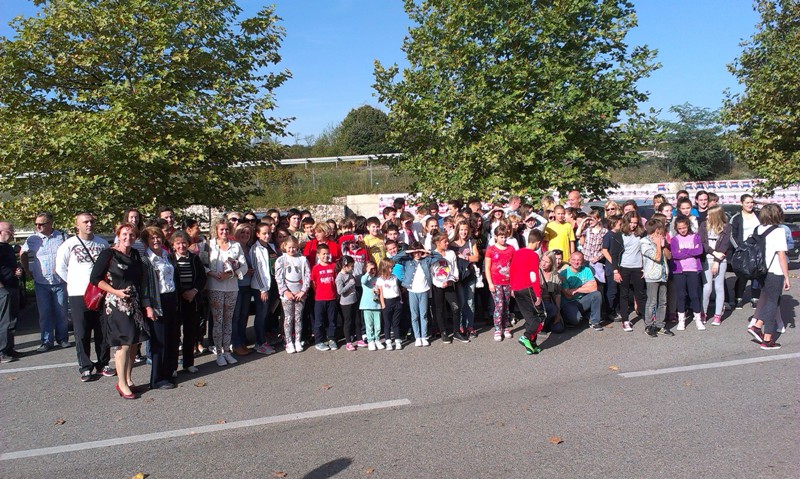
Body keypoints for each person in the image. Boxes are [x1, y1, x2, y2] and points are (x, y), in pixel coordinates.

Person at [90, 223, 151, 399]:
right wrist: (116, 292)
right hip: (116, 304)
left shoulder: (135, 254)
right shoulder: (108, 254)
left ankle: (129, 379)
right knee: (123, 343)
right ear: (118, 235)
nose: (128, 237)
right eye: (124, 234)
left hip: (134, 303)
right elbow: (95, 279)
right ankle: (121, 383)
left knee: (134, 342)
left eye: (132, 235)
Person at [55, 212, 112, 381]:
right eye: (85, 222)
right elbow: (60, 268)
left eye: (91, 221)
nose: (89, 224)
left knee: (103, 330)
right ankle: (85, 366)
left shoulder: (102, 243)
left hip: (100, 292)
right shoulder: (69, 244)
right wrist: (74, 283)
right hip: (78, 294)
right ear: (77, 225)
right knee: (82, 332)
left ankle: (103, 363)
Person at [20, 211, 70, 352]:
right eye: (36, 224)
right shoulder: (32, 239)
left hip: (60, 281)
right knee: (45, 313)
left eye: (41, 224)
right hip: (41, 282)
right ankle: (46, 341)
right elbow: (23, 253)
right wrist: (27, 270)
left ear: (50, 223)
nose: (38, 227)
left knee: (61, 312)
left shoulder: (62, 237)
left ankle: (62, 338)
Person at [140, 226, 179, 390]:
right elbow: (144, 286)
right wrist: (148, 306)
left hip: (171, 298)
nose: (156, 240)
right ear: (146, 241)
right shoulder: (146, 260)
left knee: (171, 337)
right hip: (157, 300)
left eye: (158, 237)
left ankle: (168, 372)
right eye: (152, 238)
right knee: (159, 340)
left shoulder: (166, 255)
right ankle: (157, 379)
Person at [747, 204, 791, 350]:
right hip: (774, 271)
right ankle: (767, 339)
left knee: (769, 299)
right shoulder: (778, 231)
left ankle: (757, 325)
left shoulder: (758, 229)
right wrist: (787, 277)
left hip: (761, 270)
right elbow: (781, 256)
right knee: (773, 302)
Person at [206, 217, 248, 366]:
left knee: (228, 320)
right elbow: (202, 264)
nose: (224, 232)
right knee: (218, 321)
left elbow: (244, 266)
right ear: (216, 230)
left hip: (232, 287)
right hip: (215, 287)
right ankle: (219, 353)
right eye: (221, 229)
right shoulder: (209, 245)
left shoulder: (235, 245)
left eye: (226, 229)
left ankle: (227, 351)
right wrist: (212, 273)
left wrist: (231, 274)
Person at [170, 231, 206, 373]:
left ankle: (188, 363)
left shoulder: (194, 258)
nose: (181, 246)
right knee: (174, 335)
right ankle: (173, 367)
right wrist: (182, 293)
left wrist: (194, 291)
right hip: (177, 300)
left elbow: (202, 278)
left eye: (184, 242)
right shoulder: (170, 258)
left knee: (190, 333)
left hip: (192, 299)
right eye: (178, 243)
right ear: (173, 245)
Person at [393, 241, 437, 346]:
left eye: (418, 252)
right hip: (412, 291)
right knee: (414, 315)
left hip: (424, 290)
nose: (417, 254)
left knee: (424, 314)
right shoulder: (407, 261)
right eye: (415, 252)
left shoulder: (426, 260)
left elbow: (438, 256)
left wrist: (425, 251)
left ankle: (424, 336)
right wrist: (408, 251)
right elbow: (395, 259)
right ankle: (417, 337)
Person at [510, 230, 544, 354]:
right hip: (528, 288)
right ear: (538, 242)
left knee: (529, 317)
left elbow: (512, 270)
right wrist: (538, 294)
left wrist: (512, 287)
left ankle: (532, 345)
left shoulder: (518, 252)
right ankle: (526, 336)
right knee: (540, 316)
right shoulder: (533, 255)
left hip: (517, 289)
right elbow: (534, 275)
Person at [274, 235, 310, 354]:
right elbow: (279, 278)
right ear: (285, 246)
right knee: (288, 318)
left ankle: (298, 340)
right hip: (287, 295)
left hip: (300, 294)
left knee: (298, 318)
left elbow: (307, 276)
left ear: (297, 247)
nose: (291, 250)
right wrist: (285, 291)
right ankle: (289, 342)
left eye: (294, 247)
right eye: (289, 247)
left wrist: (303, 291)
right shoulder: (281, 260)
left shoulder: (303, 259)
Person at [670, 217, 704, 331]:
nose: (682, 230)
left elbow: (699, 251)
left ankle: (698, 319)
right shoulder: (675, 239)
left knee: (694, 295)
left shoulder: (695, 237)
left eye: (684, 227)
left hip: (693, 269)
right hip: (679, 270)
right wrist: (691, 252)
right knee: (681, 295)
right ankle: (681, 320)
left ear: (688, 226)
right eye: (680, 228)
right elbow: (675, 254)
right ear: (676, 229)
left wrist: (684, 251)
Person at [640, 220, 673, 337]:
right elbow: (657, 258)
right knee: (652, 302)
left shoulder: (662, 241)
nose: (661, 234)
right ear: (654, 231)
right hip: (652, 276)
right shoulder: (644, 243)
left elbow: (669, 256)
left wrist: (664, 246)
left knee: (663, 302)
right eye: (659, 231)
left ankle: (660, 325)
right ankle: (649, 325)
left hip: (663, 274)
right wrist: (658, 244)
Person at [699, 206, 731, 326]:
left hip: (721, 260)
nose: (707, 217)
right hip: (707, 259)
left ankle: (718, 315)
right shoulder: (703, 225)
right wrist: (713, 253)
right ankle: (703, 312)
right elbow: (702, 243)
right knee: (707, 287)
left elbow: (725, 245)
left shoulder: (726, 227)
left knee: (719, 286)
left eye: (709, 215)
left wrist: (717, 261)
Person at [616, 212, 647, 332]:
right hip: (624, 266)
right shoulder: (620, 235)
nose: (633, 225)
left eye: (635, 223)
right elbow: (614, 253)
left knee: (640, 294)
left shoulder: (641, 234)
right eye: (631, 223)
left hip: (638, 267)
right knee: (624, 294)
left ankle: (646, 318)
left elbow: (645, 250)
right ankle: (625, 320)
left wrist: (645, 266)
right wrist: (616, 270)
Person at [729, 194, 762, 309]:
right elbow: (732, 235)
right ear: (741, 203)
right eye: (747, 202)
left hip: (757, 250)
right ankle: (738, 298)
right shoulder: (736, 218)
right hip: (742, 250)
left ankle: (755, 298)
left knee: (757, 273)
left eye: (751, 202)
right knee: (742, 274)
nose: (750, 205)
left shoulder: (759, 215)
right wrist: (739, 248)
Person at [249, 223, 277, 355]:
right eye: (264, 233)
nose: (267, 236)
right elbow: (257, 271)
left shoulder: (271, 246)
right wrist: (262, 289)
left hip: (272, 285)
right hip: (262, 287)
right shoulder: (255, 249)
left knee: (267, 314)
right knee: (261, 315)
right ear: (258, 234)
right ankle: (259, 343)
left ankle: (264, 339)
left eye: (269, 233)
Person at [559, 251, 604, 330]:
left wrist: (577, 289)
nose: (576, 262)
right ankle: (570, 317)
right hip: (568, 302)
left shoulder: (587, 270)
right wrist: (585, 286)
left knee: (596, 294)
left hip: (581, 299)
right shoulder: (564, 273)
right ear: (569, 260)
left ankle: (594, 322)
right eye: (573, 260)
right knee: (576, 320)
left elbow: (594, 287)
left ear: (582, 261)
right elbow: (568, 295)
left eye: (579, 260)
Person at [429, 232, 461, 344]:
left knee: (456, 307)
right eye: (445, 242)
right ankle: (443, 332)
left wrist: (452, 280)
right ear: (438, 243)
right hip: (437, 286)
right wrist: (439, 283)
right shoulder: (432, 255)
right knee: (439, 309)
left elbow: (454, 269)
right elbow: (432, 273)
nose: (447, 243)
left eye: (447, 241)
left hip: (449, 284)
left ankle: (456, 331)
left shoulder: (451, 253)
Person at [450, 220, 479, 337]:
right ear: (457, 230)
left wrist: (464, 257)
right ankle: (461, 326)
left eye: (466, 229)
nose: (464, 232)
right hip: (459, 277)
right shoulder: (452, 244)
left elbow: (476, 257)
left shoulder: (471, 242)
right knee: (461, 302)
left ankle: (470, 326)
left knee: (470, 302)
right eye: (461, 229)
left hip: (470, 275)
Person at [485, 225, 515, 341]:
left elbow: (514, 266)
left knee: (506, 304)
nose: (503, 239)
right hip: (496, 281)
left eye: (505, 237)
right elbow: (487, 267)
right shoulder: (491, 249)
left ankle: (505, 326)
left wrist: (513, 284)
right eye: (501, 237)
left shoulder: (511, 249)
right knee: (499, 305)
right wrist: (490, 283)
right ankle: (497, 328)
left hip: (508, 282)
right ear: (496, 237)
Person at [231, 223, 255, 357]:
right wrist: (244, 272)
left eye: (248, 233)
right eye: (242, 232)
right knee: (236, 316)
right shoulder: (234, 248)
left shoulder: (250, 248)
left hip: (248, 286)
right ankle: (236, 344)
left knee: (244, 315)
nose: (245, 235)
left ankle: (242, 341)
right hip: (237, 285)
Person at [0, 222, 22, 363]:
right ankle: (1, 352)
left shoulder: (8, 247)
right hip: (3, 289)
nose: (13, 233)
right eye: (10, 230)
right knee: (4, 321)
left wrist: (17, 272)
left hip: (12, 286)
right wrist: (1, 288)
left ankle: (9, 348)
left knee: (12, 320)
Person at [311, 244, 337, 351]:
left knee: (332, 320)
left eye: (327, 254)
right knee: (319, 321)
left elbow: (336, 281)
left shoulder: (333, 266)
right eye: (323, 254)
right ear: (318, 255)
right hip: (320, 299)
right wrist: (318, 292)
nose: (326, 256)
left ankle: (332, 339)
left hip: (332, 298)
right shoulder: (315, 268)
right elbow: (313, 283)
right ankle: (319, 341)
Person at [376, 258, 404, 350]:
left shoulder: (394, 277)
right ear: (384, 268)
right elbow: (381, 293)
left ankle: (397, 340)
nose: (391, 270)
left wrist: (400, 300)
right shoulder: (380, 280)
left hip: (396, 300)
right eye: (389, 268)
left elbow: (398, 289)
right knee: (387, 323)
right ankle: (388, 342)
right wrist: (383, 304)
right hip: (387, 302)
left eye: (392, 268)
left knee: (396, 323)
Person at [538, 251, 565, 334]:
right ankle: (541, 326)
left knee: (559, 328)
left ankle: (547, 323)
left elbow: (558, 295)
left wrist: (558, 312)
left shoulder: (555, 275)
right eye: (542, 260)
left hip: (550, 301)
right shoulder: (536, 272)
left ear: (552, 263)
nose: (543, 264)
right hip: (538, 301)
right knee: (552, 309)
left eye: (547, 262)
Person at [336, 256, 359, 351]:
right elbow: (340, 291)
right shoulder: (339, 277)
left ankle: (359, 339)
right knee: (348, 322)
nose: (352, 268)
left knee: (357, 320)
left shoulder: (350, 274)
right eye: (351, 266)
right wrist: (350, 284)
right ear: (344, 266)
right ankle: (348, 342)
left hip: (354, 300)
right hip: (346, 303)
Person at [360, 260, 383, 350]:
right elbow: (363, 281)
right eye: (370, 268)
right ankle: (370, 341)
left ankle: (377, 339)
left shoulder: (377, 279)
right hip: (367, 305)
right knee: (369, 324)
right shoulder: (365, 278)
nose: (372, 270)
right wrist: (368, 272)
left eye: (373, 269)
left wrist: (378, 291)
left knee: (378, 325)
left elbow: (380, 288)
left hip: (376, 305)